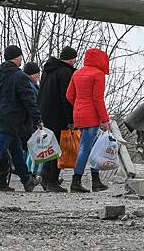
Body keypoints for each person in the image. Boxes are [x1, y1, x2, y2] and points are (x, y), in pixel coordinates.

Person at [0, 45, 42, 193]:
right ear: (17, 57)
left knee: (16, 150)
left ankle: (27, 180)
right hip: (11, 119)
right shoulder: (20, 77)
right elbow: (28, 100)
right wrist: (37, 119)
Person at [66, 48, 110, 193]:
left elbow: (69, 95)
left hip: (79, 114)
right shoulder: (98, 74)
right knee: (86, 148)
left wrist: (79, 106)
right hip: (92, 115)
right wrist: (105, 119)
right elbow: (98, 99)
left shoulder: (77, 73)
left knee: (92, 148)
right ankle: (76, 181)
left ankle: (95, 181)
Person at [37, 46, 77, 192]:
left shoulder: (49, 71)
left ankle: (46, 179)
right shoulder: (65, 72)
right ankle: (52, 182)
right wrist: (71, 119)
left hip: (45, 114)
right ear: (72, 59)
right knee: (57, 149)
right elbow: (66, 98)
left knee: (50, 147)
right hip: (58, 116)